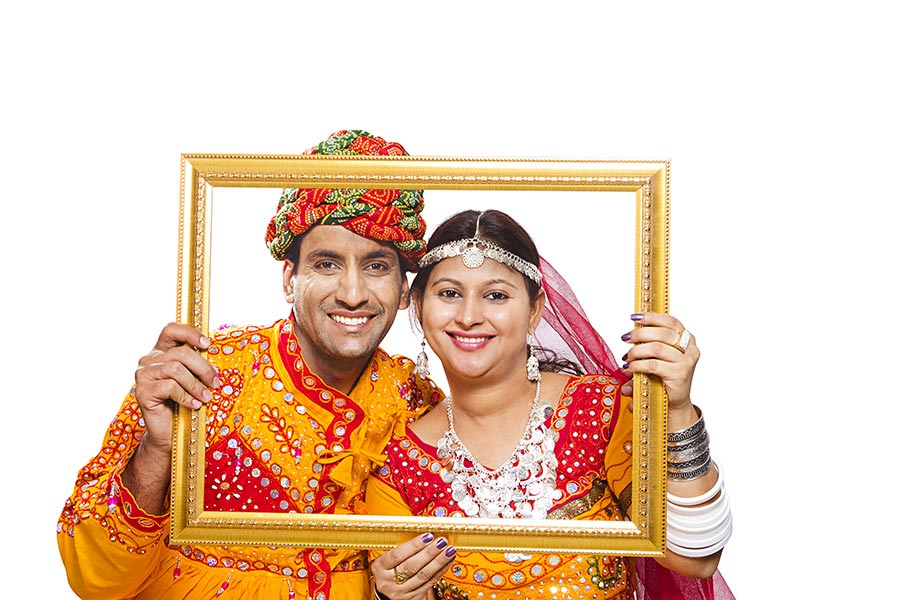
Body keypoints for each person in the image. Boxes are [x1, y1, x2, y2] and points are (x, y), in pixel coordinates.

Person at [57, 130, 449, 600]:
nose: (352, 293)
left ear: (406, 290)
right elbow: (94, 579)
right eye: (326, 264)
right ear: (290, 278)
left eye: (376, 266)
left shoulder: (417, 403)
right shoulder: (201, 375)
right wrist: (158, 448)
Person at [365, 210, 734, 599]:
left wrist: (676, 411)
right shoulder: (397, 468)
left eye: (496, 295)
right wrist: (389, 596)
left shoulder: (599, 412)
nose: (469, 316)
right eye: (450, 293)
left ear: (534, 310)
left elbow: (696, 558)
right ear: (420, 306)